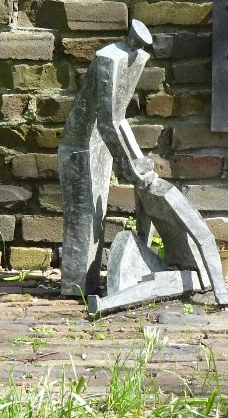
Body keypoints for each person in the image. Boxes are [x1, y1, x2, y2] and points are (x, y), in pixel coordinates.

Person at [58, 20, 154, 297]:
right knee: (85, 217)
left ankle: (88, 284)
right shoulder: (108, 59)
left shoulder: (138, 58)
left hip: (98, 145)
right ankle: (76, 288)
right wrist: (129, 167)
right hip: (78, 146)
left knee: (95, 217)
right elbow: (106, 121)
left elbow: (120, 118)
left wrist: (137, 159)